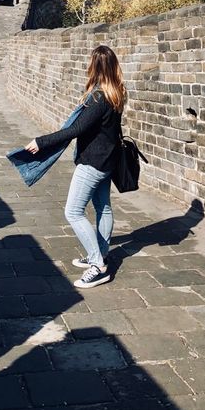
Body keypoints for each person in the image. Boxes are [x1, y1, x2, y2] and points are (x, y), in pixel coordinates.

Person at [25, 45, 126, 289]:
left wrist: (41, 142)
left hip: (93, 162)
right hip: (107, 160)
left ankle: (98, 266)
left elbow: (76, 130)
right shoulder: (118, 92)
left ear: (94, 66)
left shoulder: (99, 97)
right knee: (103, 208)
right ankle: (100, 253)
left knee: (73, 212)